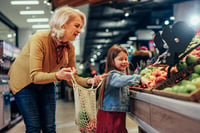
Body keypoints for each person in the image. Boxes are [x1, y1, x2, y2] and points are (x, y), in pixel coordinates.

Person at [8, 7, 107, 133]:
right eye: (77, 26)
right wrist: (58, 76)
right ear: (63, 25)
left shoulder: (69, 48)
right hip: (24, 83)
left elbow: (72, 79)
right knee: (34, 126)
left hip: (46, 82)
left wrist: (90, 81)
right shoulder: (39, 39)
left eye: (81, 27)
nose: (80, 31)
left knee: (50, 126)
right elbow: (35, 75)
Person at [95, 45, 141, 133]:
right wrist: (139, 78)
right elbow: (119, 80)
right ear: (112, 61)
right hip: (111, 114)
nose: (124, 62)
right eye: (120, 59)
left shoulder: (118, 74)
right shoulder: (112, 75)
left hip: (114, 112)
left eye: (126, 59)